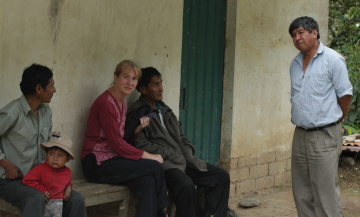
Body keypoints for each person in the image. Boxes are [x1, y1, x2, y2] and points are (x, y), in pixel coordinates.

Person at [125, 67, 230, 217]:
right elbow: (141, 144)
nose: (161, 88)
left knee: (220, 176)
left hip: (184, 160)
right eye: (155, 85)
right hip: (166, 165)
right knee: (186, 185)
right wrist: (171, 153)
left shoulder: (165, 110)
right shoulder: (139, 112)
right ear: (143, 89)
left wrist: (186, 151)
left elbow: (181, 136)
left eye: (161, 83)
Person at [81, 60, 169, 217]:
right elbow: (117, 145)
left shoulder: (123, 103)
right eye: (125, 77)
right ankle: (162, 211)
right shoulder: (106, 103)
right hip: (96, 163)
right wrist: (150, 156)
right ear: (115, 77)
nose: (130, 82)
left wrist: (137, 129)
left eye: (134, 79)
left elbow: (120, 139)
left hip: (113, 160)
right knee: (155, 166)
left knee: (147, 182)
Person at [0, 63, 87, 217]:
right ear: (39, 89)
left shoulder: (46, 111)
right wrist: (6, 164)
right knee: (35, 197)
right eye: (52, 85)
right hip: (9, 181)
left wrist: (66, 184)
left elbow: (52, 148)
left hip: (42, 180)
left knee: (76, 200)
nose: (54, 90)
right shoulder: (13, 112)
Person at [288, 16, 353, 217]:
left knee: (325, 192)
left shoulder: (333, 60)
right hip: (300, 134)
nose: (297, 38)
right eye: (293, 35)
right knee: (302, 191)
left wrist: (337, 119)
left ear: (314, 33)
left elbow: (345, 95)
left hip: (324, 134)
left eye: (300, 33)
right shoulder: (295, 63)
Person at [23, 132, 75, 217]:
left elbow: (68, 181)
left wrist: (69, 187)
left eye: (60, 155)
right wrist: (42, 189)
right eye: (51, 154)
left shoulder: (68, 172)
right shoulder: (39, 169)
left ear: (68, 159)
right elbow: (27, 180)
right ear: (46, 154)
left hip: (59, 204)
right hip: (44, 203)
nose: (55, 158)